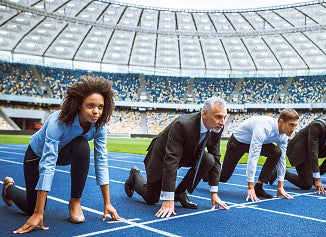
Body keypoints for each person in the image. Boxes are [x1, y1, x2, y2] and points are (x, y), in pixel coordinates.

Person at [2, 76, 121, 234]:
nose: (96, 112)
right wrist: (38, 213)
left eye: (100, 107)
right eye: (90, 106)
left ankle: (75, 202)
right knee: (33, 208)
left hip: (64, 153)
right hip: (36, 155)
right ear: (79, 104)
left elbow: (101, 161)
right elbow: (48, 163)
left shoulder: (99, 126)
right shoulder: (59, 121)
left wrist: (107, 202)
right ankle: (9, 189)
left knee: (82, 145)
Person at [124, 97, 229, 218]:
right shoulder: (183, 125)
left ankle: (179, 192)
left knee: (209, 159)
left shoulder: (217, 128)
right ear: (204, 113)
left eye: (225, 117)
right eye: (218, 117)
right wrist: (168, 199)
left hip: (188, 153)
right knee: (151, 198)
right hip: (162, 155)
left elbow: (216, 158)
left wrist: (214, 193)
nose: (223, 122)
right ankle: (134, 175)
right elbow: (171, 160)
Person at [220, 109, 299, 201]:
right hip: (238, 143)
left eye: (295, 125)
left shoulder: (284, 136)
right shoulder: (264, 127)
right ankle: (205, 171)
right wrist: (250, 187)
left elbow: (282, 159)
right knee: (223, 177)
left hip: (254, 142)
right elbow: (253, 156)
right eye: (291, 125)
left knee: (277, 152)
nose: (293, 129)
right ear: (281, 122)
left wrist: (280, 186)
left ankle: (259, 187)